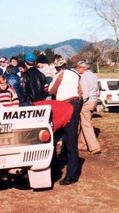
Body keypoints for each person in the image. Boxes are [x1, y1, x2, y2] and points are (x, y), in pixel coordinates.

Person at [48, 56, 82, 185]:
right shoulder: (75, 74)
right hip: (75, 103)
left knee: (54, 137)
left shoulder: (60, 74)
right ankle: (72, 174)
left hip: (64, 106)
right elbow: (80, 91)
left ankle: (56, 171)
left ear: (57, 67)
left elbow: (52, 90)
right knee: (72, 139)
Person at [77, 61, 101, 154]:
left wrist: (80, 102)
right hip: (94, 101)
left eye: (78, 68)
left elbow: (85, 94)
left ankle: (94, 147)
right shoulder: (93, 75)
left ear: (83, 68)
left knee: (86, 124)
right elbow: (97, 89)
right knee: (84, 122)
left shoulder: (83, 77)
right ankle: (81, 144)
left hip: (87, 102)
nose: (77, 69)